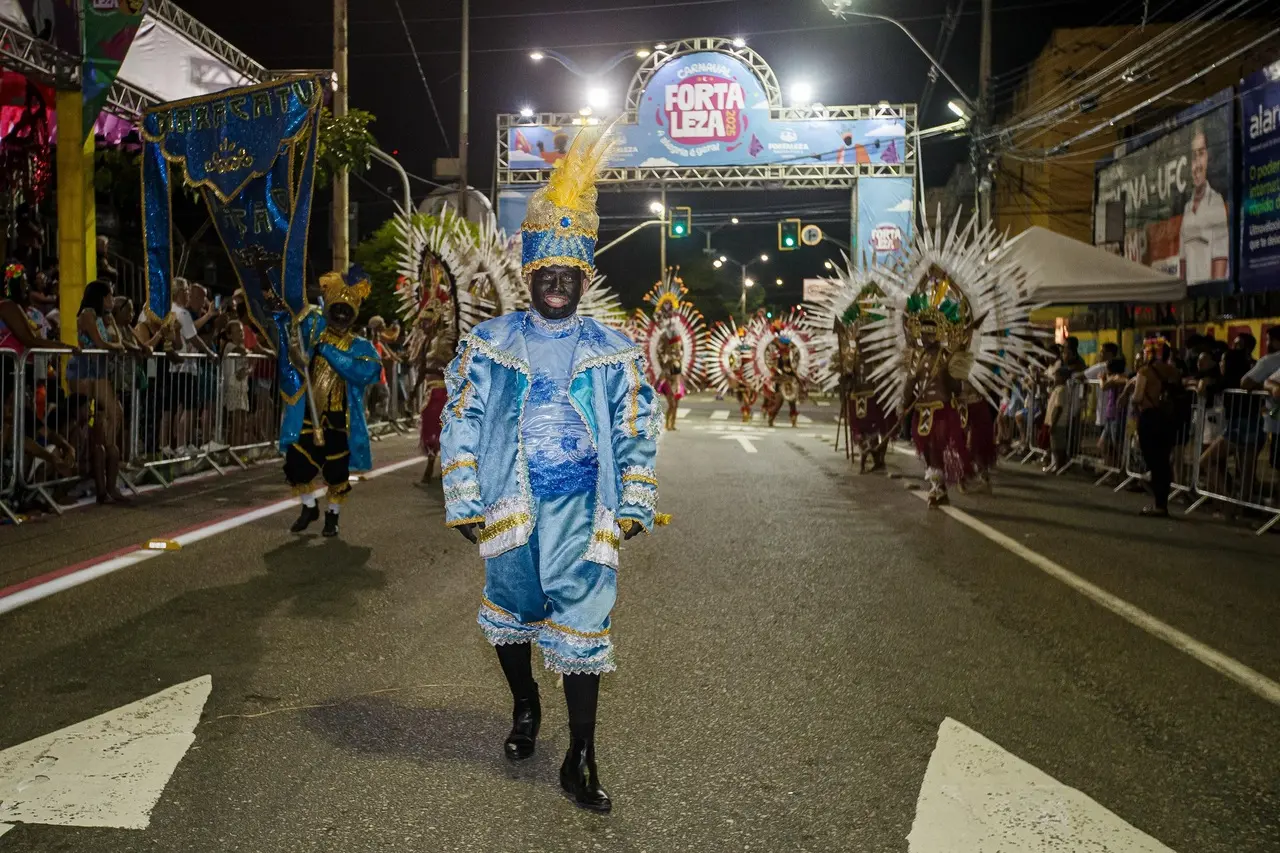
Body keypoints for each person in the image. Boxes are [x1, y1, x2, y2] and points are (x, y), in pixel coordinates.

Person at [441, 121, 662, 813]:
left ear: (583, 277)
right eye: (547, 274)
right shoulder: (491, 340)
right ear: (531, 274)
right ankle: (527, 702)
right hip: (510, 506)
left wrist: (632, 502)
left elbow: (635, 427)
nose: (558, 285)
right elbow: (463, 417)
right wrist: (465, 495)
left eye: (570, 275)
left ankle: (582, 757)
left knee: (585, 629)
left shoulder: (614, 348)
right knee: (512, 616)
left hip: (582, 511)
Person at [269, 267, 381, 539]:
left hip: (340, 419)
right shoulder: (314, 333)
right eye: (337, 309)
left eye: (346, 311)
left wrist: (328, 351)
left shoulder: (360, 346)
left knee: (336, 471)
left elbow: (367, 373)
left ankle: (332, 516)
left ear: (354, 315)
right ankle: (309, 507)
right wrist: (281, 309)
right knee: (296, 462)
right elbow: (293, 326)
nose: (341, 316)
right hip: (309, 413)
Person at [1132, 337, 1183, 517]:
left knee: (1154, 463)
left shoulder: (1144, 371)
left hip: (1150, 418)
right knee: (1163, 462)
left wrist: (1131, 399)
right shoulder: (1173, 372)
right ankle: (1162, 503)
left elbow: (1137, 397)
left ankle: (1159, 505)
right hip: (1168, 418)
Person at [1179, 122, 1230, 284]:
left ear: (1208, 157)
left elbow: (1219, 270)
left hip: (1209, 301)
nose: (1197, 166)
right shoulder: (1187, 210)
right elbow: (1182, 263)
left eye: (1201, 154)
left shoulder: (1216, 202)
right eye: (1193, 157)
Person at [1241, 326, 1280, 481]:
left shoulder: (1269, 360)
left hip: (1271, 417)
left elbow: (1245, 382)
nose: (1267, 343)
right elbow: (1271, 383)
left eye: (1269, 340)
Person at [221, 320, 252, 446]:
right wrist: (251, 352)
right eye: (238, 331)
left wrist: (247, 370)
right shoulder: (229, 346)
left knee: (242, 423)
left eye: (241, 331)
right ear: (229, 335)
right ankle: (233, 450)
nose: (241, 334)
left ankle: (239, 449)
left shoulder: (244, 347)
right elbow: (242, 352)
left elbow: (247, 366)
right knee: (235, 422)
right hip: (232, 387)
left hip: (243, 387)